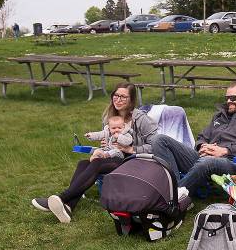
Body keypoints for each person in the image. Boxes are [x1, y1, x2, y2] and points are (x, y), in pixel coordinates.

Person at [31, 83, 158, 223]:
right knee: (83, 163)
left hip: (135, 160)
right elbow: (107, 140)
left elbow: (156, 146)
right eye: (116, 95)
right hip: (115, 156)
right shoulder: (110, 118)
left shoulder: (141, 119)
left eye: (123, 97)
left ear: (132, 100)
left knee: (96, 164)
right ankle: (67, 207)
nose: (118, 99)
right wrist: (103, 146)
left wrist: (130, 149)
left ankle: (61, 198)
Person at [149, 81, 236, 191]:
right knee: (159, 140)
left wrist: (226, 150)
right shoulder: (220, 115)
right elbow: (202, 136)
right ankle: (174, 186)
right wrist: (202, 146)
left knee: (208, 162)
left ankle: (174, 196)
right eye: (227, 98)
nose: (228, 101)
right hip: (204, 157)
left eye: (233, 98)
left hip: (233, 163)